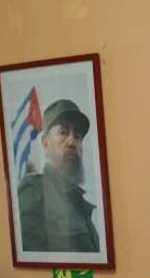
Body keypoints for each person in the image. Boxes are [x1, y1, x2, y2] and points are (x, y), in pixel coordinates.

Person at [18, 99, 100, 253]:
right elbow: (33, 270)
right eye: (63, 132)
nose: (72, 142)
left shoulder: (78, 202)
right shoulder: (33, 193)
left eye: (77, 136)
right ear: (45, 142)